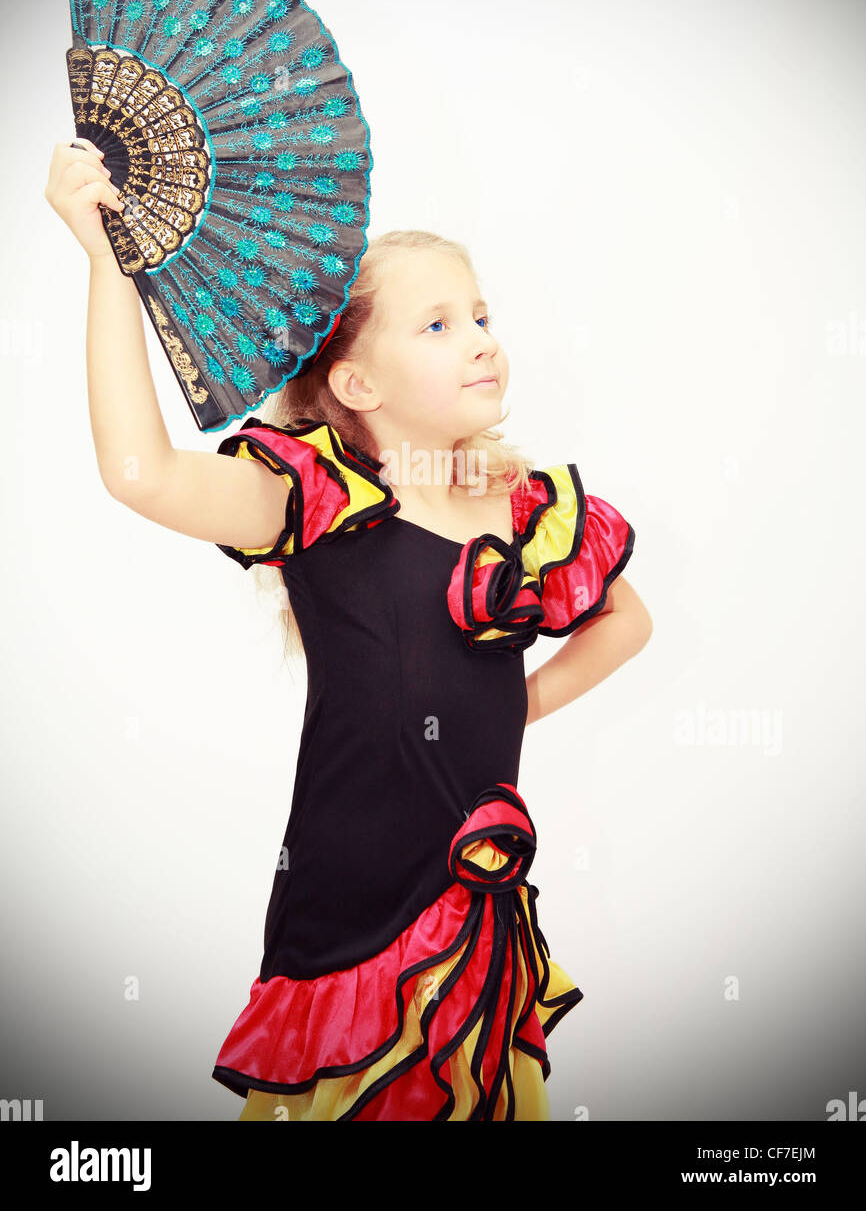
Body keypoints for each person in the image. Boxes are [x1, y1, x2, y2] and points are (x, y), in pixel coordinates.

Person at [44, 137, 653, 1121]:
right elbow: (140, 472)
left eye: (482, 316)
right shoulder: (316, 507)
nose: (482, 339)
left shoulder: (521, 506)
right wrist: (106, 262)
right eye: (439, 323)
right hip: (349, 924)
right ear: (359, 385)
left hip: (478, 921)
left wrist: (515, 704)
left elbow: (624, 620)